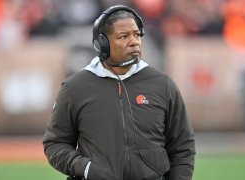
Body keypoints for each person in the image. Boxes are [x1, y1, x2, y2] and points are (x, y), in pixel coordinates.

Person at [43, 5, 195, 180]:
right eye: (124, 36)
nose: (134, 41)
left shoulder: (163, 84)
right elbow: (55, 144)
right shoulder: (74, 88)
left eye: (137, 35)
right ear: (102, 43)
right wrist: (86, 169)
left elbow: (182, 147)